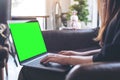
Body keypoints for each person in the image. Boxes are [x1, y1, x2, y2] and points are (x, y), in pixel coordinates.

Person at [18, 0, 120, 80]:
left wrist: (67, 60)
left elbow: (108, 55)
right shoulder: (115, 13)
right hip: (98, 69)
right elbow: (109, 51)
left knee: (27, 71)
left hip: (96, 73)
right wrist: (75, 54)